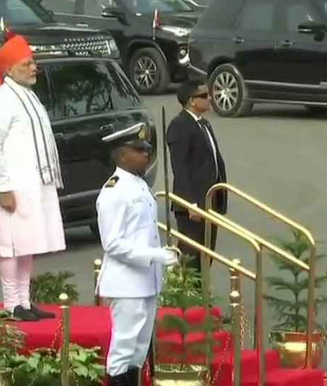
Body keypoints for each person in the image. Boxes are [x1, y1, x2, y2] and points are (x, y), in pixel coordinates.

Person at [0, 35, 65, 322]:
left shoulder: (27, 94)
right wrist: (3, 187)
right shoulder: (1, 101)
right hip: (12, 184)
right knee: (10, 244)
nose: (34, 67)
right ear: (10, 69)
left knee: (27, 243)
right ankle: (11, 304)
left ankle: (24, 300)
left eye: (33, 62)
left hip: (33, 183)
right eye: (28, 63)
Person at [96, 123, 179, 386]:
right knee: (123, 348)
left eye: (148, 150)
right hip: (126, 283)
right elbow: (113, 244)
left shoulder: (140, 186)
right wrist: (154, 255)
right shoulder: (114, 191)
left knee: (139, 350)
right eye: (139, 150)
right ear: (122, 155)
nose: (147, 155)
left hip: (146, 282)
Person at [166, 80, 227, 274]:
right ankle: (188, 298)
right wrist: (189, 202)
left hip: (210, 201)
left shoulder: (204, 123)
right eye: (203, 96)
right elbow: (180, 168)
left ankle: (202, 297)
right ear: (192, 101)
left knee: (206, 254)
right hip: (194, 205)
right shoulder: (180, 125)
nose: (209, 98)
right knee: (191, 256)